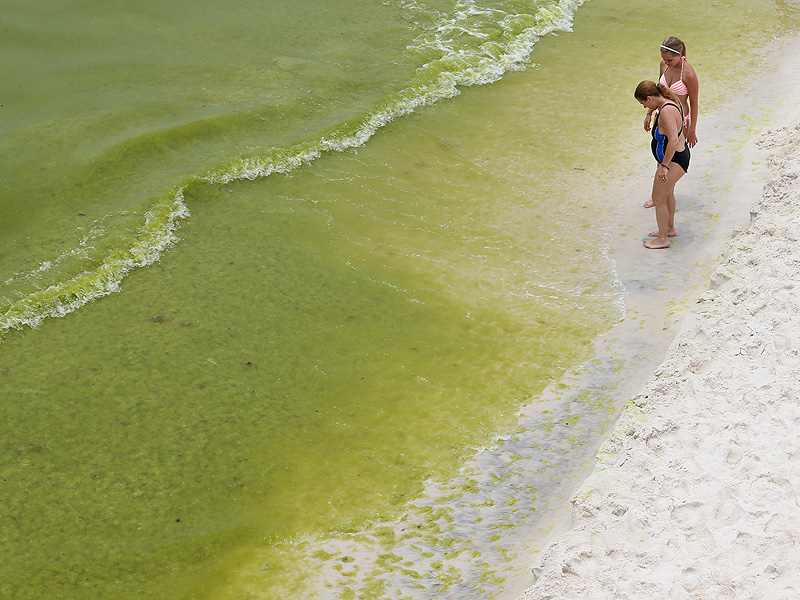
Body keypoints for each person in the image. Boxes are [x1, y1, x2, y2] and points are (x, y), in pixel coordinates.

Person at [643, 36, 699, 208]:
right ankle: (659, 193)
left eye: (670, 59)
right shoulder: (664, 65)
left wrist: (692, 131)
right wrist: (650, 112)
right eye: (664, 59)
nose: (666, 63)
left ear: (680, 54)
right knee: (660, 154)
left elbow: (694, 103)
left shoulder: (688, 73)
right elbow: (659, 92)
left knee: (672, 158)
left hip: (680, 120)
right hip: (662, 114)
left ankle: (664, 193)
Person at [635, 80, 690, 249]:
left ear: (650, 98)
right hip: (677, 157)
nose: (644, 107)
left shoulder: (666, 113)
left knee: (658, 199)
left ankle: (662, 239)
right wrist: (650, 113)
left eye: (643, 104)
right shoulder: (670, 101)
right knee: (668, 194)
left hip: (673, 160)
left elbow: (672, 141)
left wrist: (664, 166)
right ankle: (669, 228)